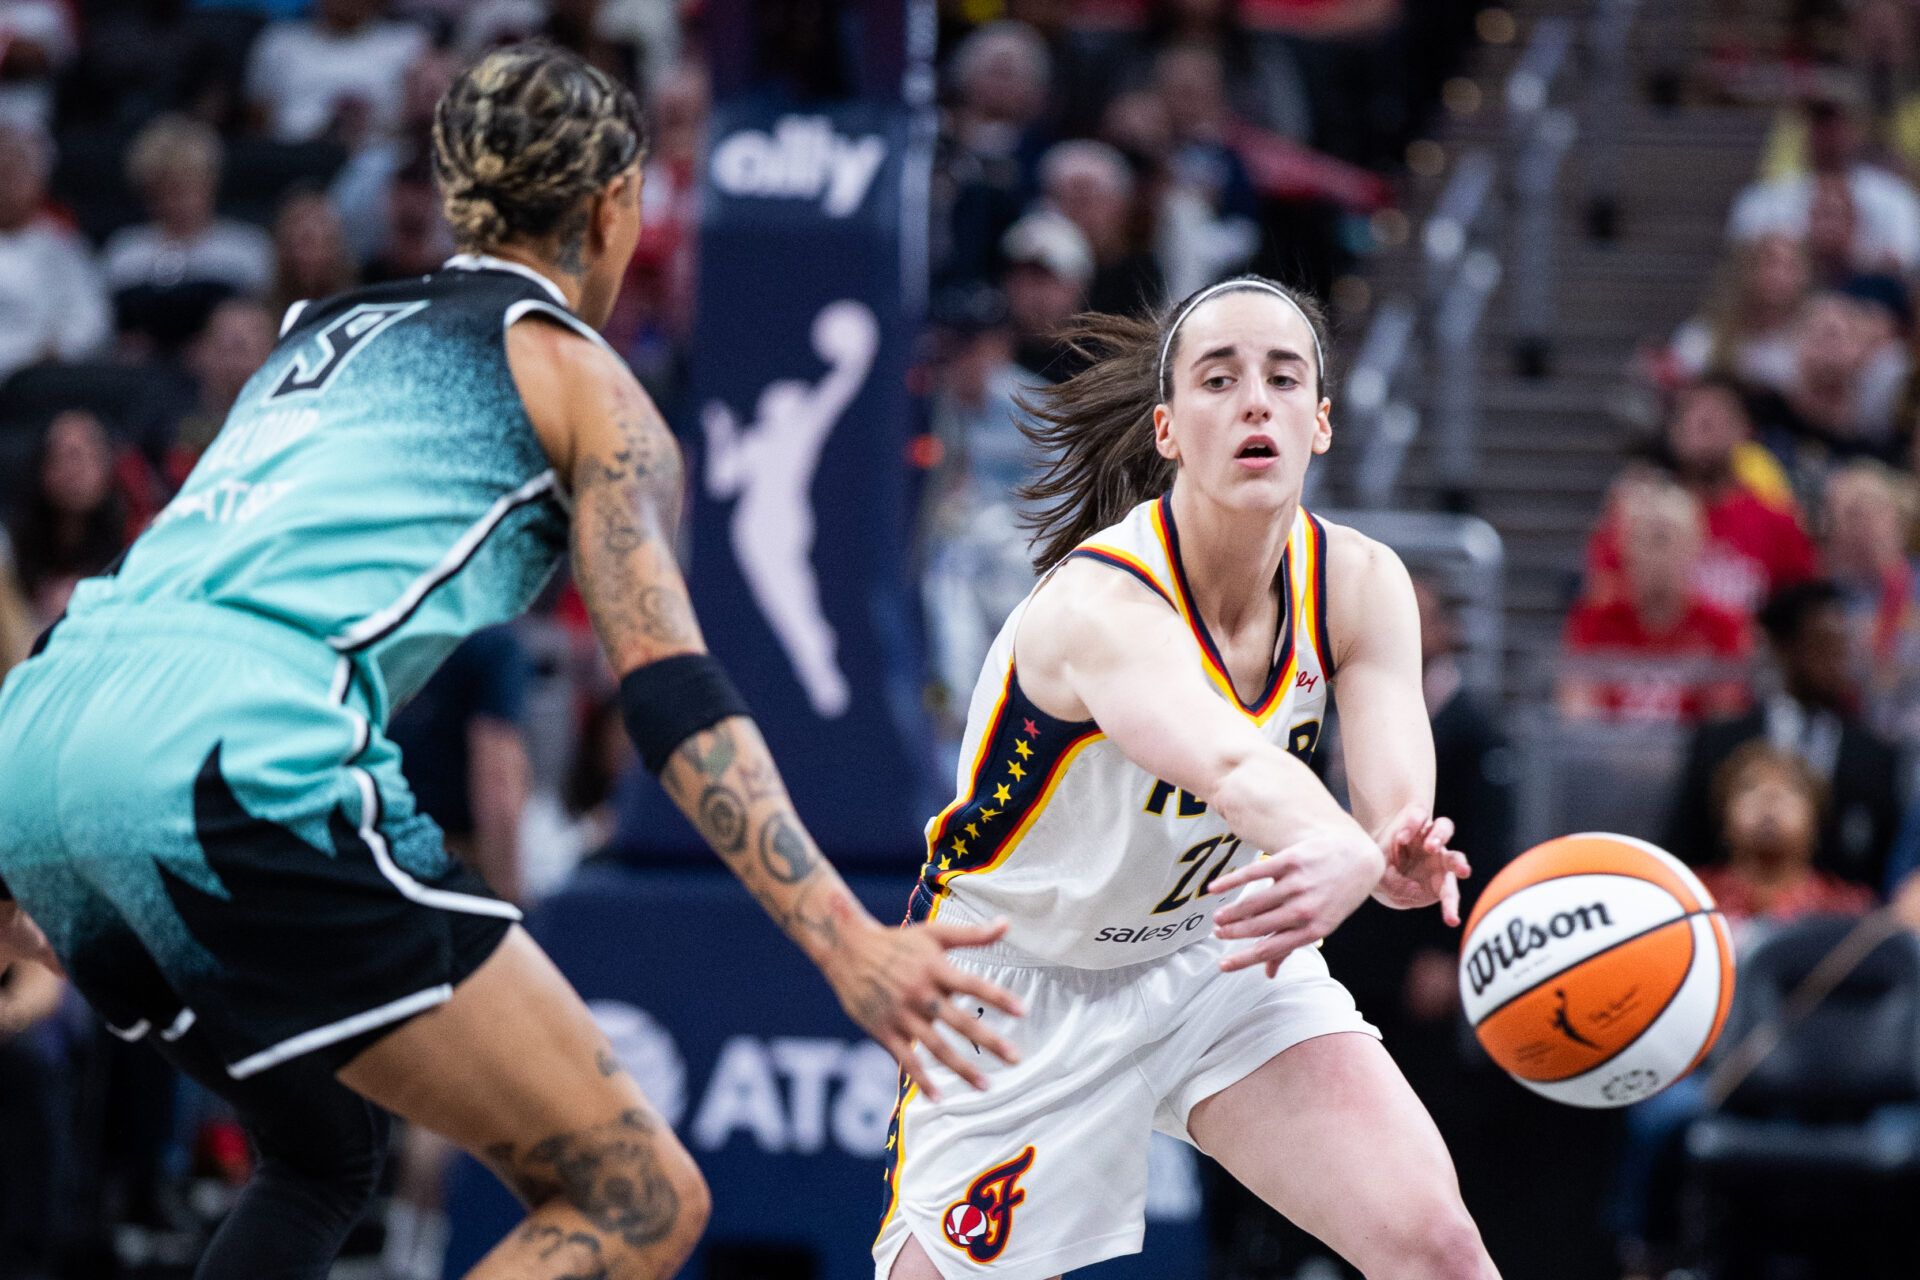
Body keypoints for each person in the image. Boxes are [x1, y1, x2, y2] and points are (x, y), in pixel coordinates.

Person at [0, 43, 1021, 1280]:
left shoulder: (317, 334)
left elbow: (164, 571)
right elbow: (670, 696)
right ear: (614, 207)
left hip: (48, 731)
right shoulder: (585, 383)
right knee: (637, 1195)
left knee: (317, 1149)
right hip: (232, 757)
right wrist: (845, 937)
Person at [875, 275, 1495, 1280]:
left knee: (1438, 1250)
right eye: (1220, 378)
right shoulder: (1098, 604)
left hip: (1220, 957)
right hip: (1021, 980)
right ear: (1166, 428)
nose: (1256, 400)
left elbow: (1390, 801)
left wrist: (1393, 846)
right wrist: (1336, 842)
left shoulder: (1363, 580)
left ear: (1322, 421)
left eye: (1284, 377)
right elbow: (1230, 762)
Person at [1665, 579, 1904, 892]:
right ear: (1784, 649)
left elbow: (1885, 870)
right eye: (1823, 646)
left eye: (1843, 648)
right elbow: (1683, 850)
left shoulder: (1876, 756)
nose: (1838, 663)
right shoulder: (1718, 743)